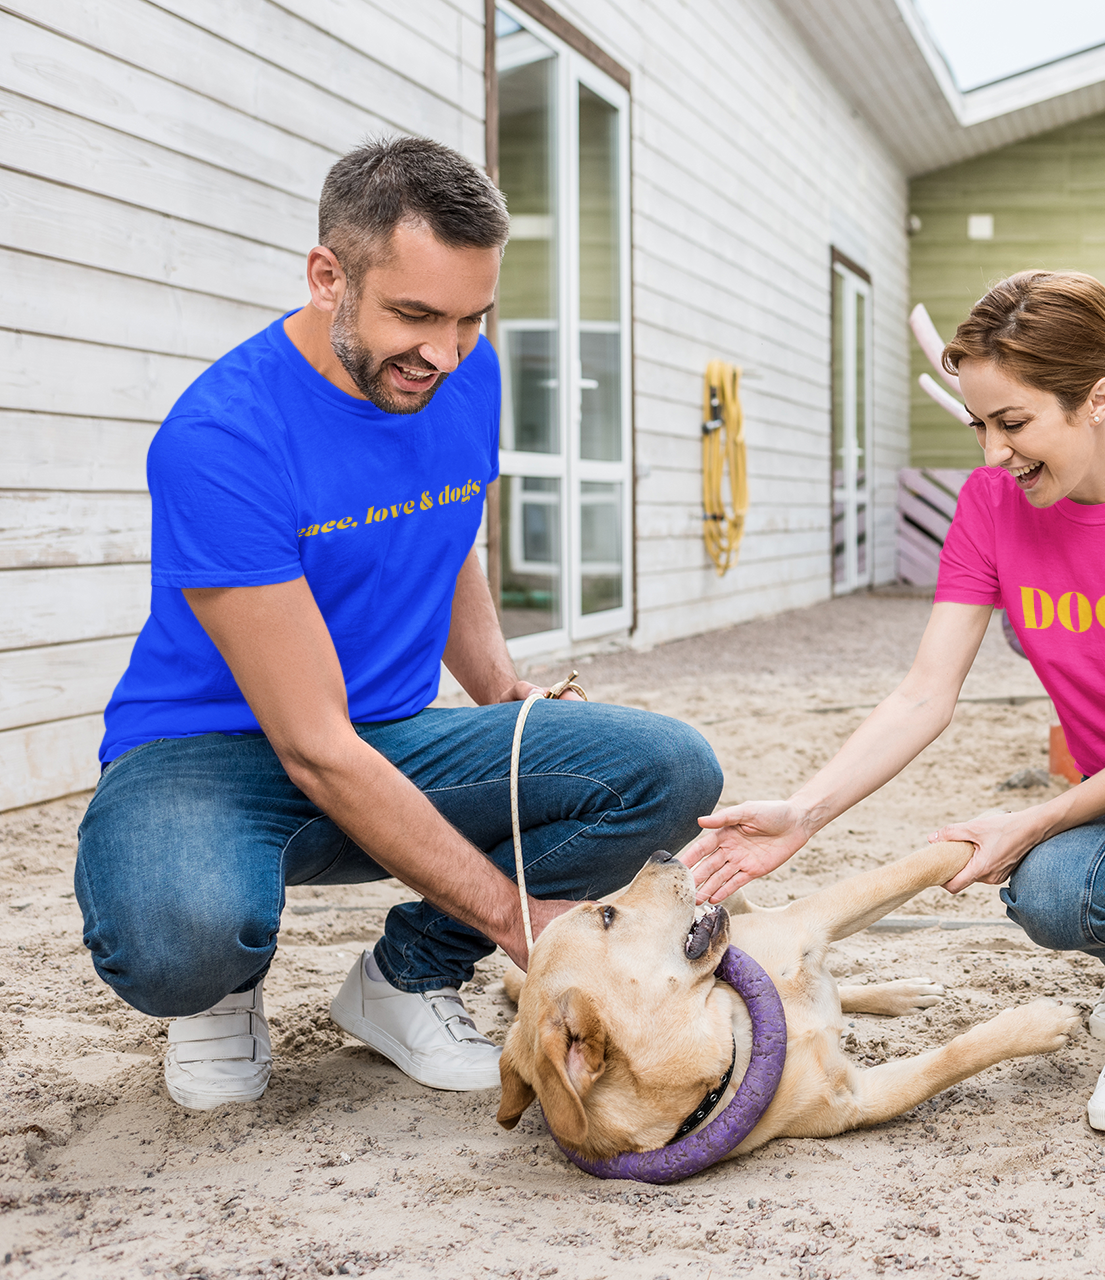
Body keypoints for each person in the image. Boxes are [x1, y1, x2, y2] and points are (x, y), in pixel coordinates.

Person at [75, 137, 722, 1111]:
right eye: (415, 315)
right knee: (180, 939)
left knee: (669, 770)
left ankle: (405, 976)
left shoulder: (463, 373)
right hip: (205, 753)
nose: (445, 352)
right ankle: (220, 989)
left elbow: (443, 529)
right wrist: (517, 918)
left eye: (470, 317)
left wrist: (502, 694)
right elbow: (316, 746)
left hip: (392, 737)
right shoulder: (223, 439)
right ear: (327, 276)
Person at [684, 271, 1105, 1135]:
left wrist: (1035, 817)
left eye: (1014, 423)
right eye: (980, 425)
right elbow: (924, 693)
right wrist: (805, 813)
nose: (994, 452)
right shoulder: (991, 506)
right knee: (1050, 894)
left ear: (1095, 399)